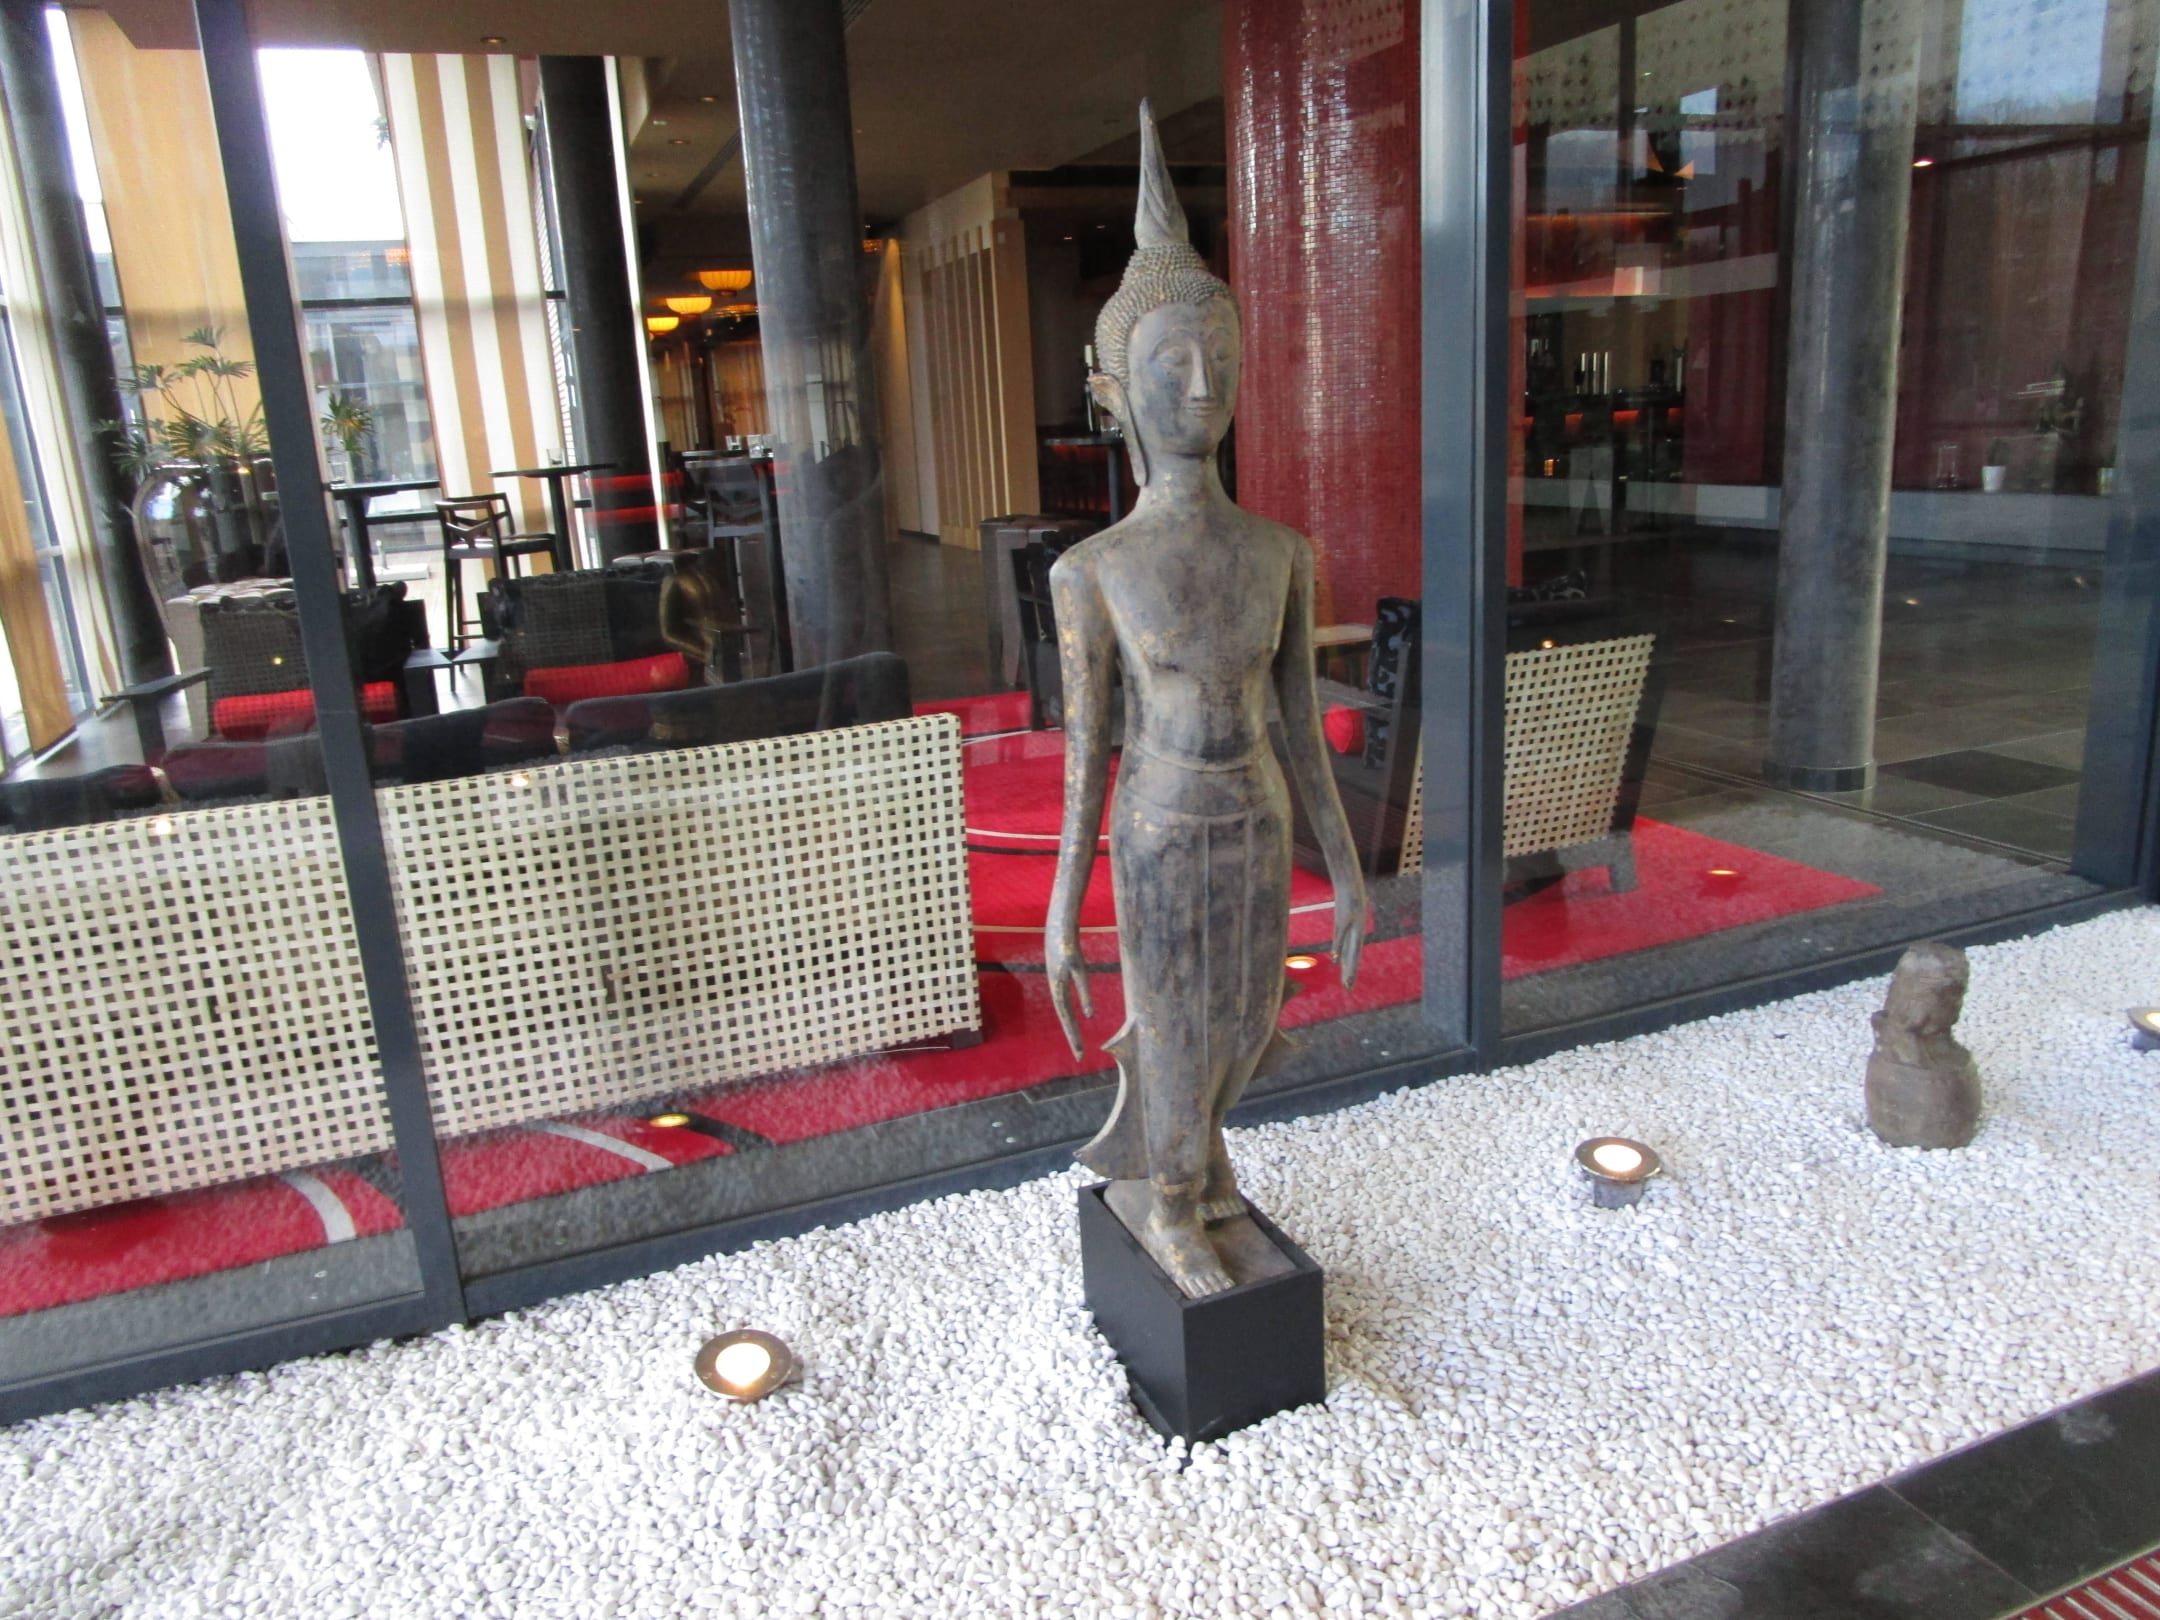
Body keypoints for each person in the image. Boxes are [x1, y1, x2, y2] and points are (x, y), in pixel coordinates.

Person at [1044, 102, 1369, 1298]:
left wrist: (1347, 871)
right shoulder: (1095, 571)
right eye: (1168, 364)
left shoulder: (1278, 552)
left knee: (1244, 1016)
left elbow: (1301, 725)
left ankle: (1204, 1157)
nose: (1199, 384)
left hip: (1260, 811)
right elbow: (1088, 753)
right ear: (1113, 390)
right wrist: (1062, 912)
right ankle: (1174, 1199)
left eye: (1219, 359)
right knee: (1177, 1019)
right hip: (1163, 827)